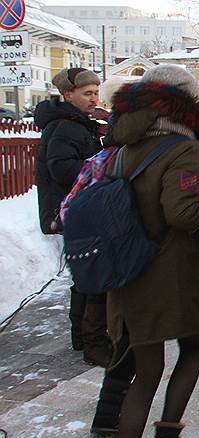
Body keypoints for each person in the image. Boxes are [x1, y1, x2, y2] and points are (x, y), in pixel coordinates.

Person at [101, 65, 199, 438]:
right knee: (193, 347)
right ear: (185, 105)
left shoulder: (118, 146)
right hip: (170, 277)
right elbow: (182, 215)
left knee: (145, 370)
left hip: (124, 276)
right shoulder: (182, 148)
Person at [35, 68, 109, 366]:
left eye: (95, 93)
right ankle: (92, 342)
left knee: (83, 271)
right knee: (91, 271)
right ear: (69, 96)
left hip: (75, 208)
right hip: (71, 208)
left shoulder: (77, 124)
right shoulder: (67, 127)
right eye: (87, 94)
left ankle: (82, 337)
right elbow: (62, 169)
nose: (94, 99)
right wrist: (99, 165)